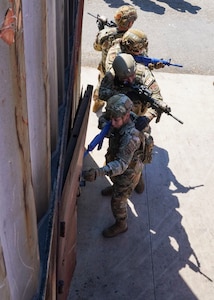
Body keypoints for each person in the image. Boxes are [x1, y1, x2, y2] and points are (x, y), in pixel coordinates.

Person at [99, 53, 170, 192]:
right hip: (118, 121)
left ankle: (138, 178)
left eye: (132, 76)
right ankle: (117, 185)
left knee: (139, 155)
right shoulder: (111, 76)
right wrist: (123, 97)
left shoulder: (144, 74)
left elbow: (158, 101)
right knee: (115, 151)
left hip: (139, 121)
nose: (131, 80)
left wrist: (147, 117)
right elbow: (102, 93)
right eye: (126, 79)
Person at [83, 94, 144, 237]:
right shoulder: (119, 114)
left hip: (128, 170)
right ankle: (126, 185)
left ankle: (121, 224)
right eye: (112, 118)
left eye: (115, 120)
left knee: (118, 201)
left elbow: (122, 165)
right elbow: (104, 118)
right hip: (121, 159)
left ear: (127, 116)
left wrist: (98, 172)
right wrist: (105, 124)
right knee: (115, 180)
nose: (113, 122)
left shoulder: (131, 137)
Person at [92, 5, 138, 113]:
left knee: (101, 87)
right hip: (124, 75)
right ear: (130, 23)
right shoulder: (132, 38)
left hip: (105, 71)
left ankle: (98, 103)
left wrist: (102, 30)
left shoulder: (105, 34)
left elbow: (96, 47)